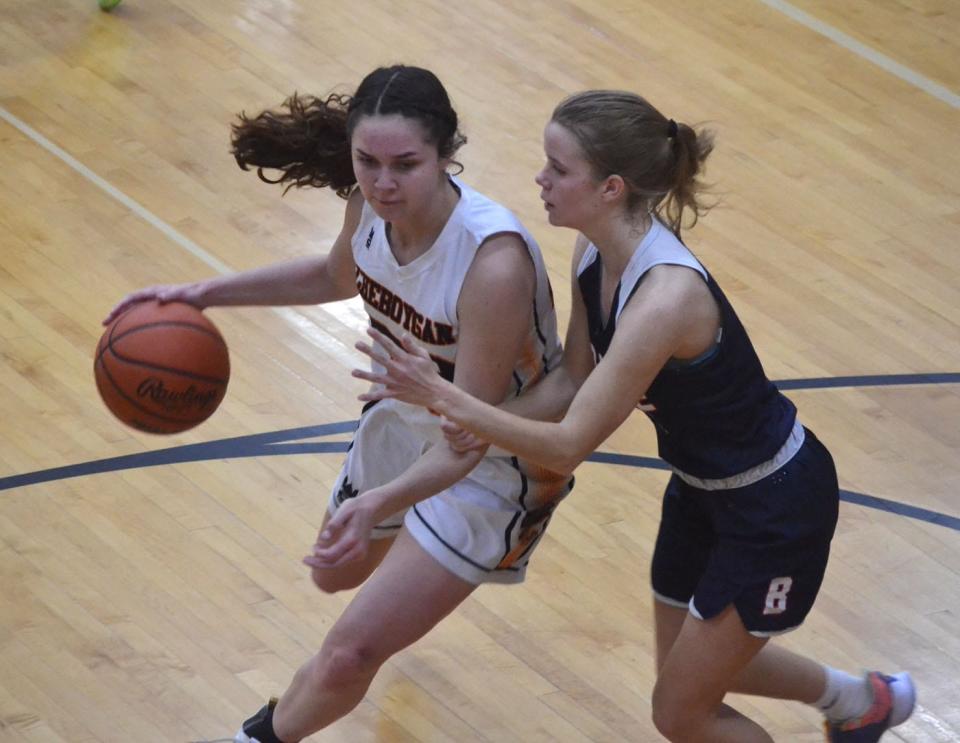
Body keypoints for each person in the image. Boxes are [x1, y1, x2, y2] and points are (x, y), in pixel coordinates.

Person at [348, 90, 917, 743]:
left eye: (558, 170)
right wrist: (474, 421)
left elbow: (567, 445)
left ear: (611, 187)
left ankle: (856, 702)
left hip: (774, 504)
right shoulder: (593, 253)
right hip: (701, 491)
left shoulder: (665, 298)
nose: (541, 179)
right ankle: (858, 700)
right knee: (690, 672)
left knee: (681, 711)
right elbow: (572, 379)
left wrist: (448, 399)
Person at [104, 65, 572, 743]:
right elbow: (333, 274)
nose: (383, 183)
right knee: (334, 577)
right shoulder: (370, 205)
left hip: (494, 462)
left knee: (350, 650)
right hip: (401, 422)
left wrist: (379, 502)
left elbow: (468, 434)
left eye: (405, 165)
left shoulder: (490, 262)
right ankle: (402, 586)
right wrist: (200, 294)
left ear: (447, 153)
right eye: (367, 162)